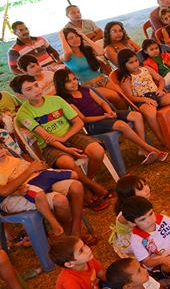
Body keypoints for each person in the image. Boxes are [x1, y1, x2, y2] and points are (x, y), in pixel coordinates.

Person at [11, 74, 112, 212]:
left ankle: (87, 183)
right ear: (20, 95)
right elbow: (46, 137)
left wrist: (65, 138)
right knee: (68, 163)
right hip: (50, 146)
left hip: (72, 135)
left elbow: (78, 122)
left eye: (35, 85)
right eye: (29, 89)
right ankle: (93, 188)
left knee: (98, 151)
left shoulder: (56, 100)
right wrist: (67, 149)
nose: (35, 89)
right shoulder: (24, 114)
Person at [54, 69, 167, 165]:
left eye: (74, 79)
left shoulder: (85, 89)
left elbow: (102, 103)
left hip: (107, 114)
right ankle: (150, 149)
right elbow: (83, 119)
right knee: (122, 125)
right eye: (68, 82)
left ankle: (143, 149)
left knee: (136, 115)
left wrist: (109, 112)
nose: (73, 83)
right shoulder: (67, 101)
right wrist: (104, 117)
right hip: (94, 123)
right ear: (61, 84)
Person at [116, 49, 170, 139]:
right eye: (131, 63)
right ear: (124, 65)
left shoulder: (145, 68)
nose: (135, 64)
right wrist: (146, 99)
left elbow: (160, 79)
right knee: (150, 114)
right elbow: (130, 97)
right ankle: (162, 138)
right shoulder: (126, 78)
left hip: (156, 94)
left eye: (136, 60)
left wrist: (160, 89)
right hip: (143, 100)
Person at [0, 145, 81, 237]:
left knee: (76, 185)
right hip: (19, 191)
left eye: (1, 148)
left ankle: (74, 231)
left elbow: (20, 165)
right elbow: (5, 190)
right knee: (59, 200)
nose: (2, 151)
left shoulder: (6, 155)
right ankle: (66, 233)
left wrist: (36, 167)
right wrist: (29, 172)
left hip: (34, 178)